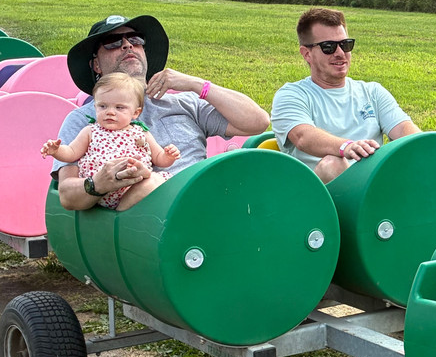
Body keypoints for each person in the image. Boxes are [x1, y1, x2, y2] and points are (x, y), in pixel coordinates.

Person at [52, 14, 270, 210]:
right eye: (113, 43)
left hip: (206, 201)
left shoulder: (182, 103)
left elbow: (258, 121)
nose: (128, 45)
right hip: (143, 223)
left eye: (136, 40)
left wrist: (196, 84)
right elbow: (67, 196)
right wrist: (98, 183)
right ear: (96, 65)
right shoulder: (85, 120)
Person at [271, 7, 421, 183]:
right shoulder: (291, 95)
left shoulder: (372, 92)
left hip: (372, 186)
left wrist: (425, 146)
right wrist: (346, 147)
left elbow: (404, 129)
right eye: (329, 47)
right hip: (318, 198)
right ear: (307, 54)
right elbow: (303, 137)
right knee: (333, 164)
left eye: (345, 44)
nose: (340, 53)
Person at [41, 73, 180, 211]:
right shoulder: (90, 131)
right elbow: (71, 152)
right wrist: (57, 151)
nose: (110, 112)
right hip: (101, 190)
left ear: (135, 113)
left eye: (119, 107)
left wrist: (168, 156)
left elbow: (158, 158)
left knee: (153, 181)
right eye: (103, 106)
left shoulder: (141, 133)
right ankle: (117, 217)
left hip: (134, 189)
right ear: (95, 107)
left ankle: (121, 214)